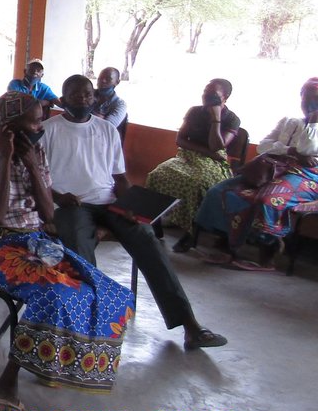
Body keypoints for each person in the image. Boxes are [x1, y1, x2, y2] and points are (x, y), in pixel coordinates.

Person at [0, 92, 134, 411]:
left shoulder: (36, 152)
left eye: (41, 120)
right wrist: (5, 160)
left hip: (37, 243)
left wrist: (29, 164)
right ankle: (6, 383)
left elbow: (48, 213)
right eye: (34, 122)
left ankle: (55, 361)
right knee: (54, 294)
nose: (40, 127)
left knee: (102, 289)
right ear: (9, 128)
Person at [43, 75, 227, 351]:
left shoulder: (106, 130)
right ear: (63, 98)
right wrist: (58, 197)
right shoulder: (48, 130)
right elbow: (38, 179)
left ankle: (190, 326)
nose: (83, 99)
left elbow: (119, 179)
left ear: (95, 98)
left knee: (147, 239)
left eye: (88, 95)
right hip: (69, 206)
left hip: (108, 203)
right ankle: (88, 325)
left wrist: (132, 206)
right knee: (80, 251)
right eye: (75, 94)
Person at [188, 78, 318, 268]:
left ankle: (268, 255)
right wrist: (289, 150)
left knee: (267, 200)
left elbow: (308, 148)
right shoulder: (289, 121)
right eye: (305, 98)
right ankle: (227, 245)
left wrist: (313, 121)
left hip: (308, 176)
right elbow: (263, 146)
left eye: (314, 99)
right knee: (220, 191)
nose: (308, 103)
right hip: (271, 170)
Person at [146, 78, 240, 235]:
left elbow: (217, 146)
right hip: (189, 155)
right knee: (156, 175)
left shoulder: (231, 119)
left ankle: (191, 230)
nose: (206, 96)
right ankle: (157, 222)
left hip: (215, 162)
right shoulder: (195, 111)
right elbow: (180, 140)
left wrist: (216, 118)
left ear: (225, 97)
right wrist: (207, 152)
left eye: (213, 94)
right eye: (205, 92)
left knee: (196, 184)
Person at [91, 66, 128, 134]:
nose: (103, 81)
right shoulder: (87, 95)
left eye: (108, 79)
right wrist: (100, 117)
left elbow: (107, 128)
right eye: (100, 78)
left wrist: (87, 114)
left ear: (117, 82)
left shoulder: (120, 104)